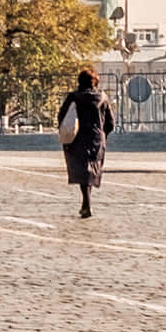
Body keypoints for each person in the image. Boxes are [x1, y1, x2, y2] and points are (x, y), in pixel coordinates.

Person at [59, 68, 115, 219]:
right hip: (97, 138)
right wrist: (102, 135)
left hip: (78, 138)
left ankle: (86, 202)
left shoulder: (73, 97)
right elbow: (111, 122)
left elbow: (62, 116)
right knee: (90, 170)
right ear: (95, 82)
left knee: (82, 170)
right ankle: (86, 202)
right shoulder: (103, 98)